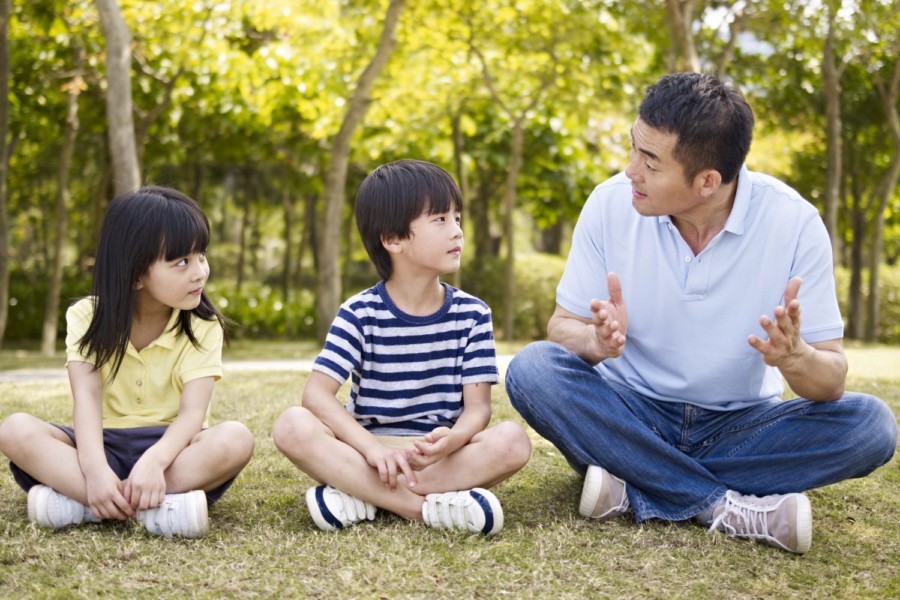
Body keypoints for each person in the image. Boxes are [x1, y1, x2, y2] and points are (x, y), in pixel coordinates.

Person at [505, 72, 897, 554]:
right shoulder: (610, 205)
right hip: (630, 412)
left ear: (707, 182)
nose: (631, 171)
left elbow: (831, 381)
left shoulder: (794, 223)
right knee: (532, 369)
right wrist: (594, 343)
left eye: (650, 162)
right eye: (634, 149)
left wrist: (795, 357)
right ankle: (722, 507)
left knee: (871, 426)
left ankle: (636, 486)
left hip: (740, 426)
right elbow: (560, 329)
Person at [273, 159, 531, 535]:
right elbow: (316, 395)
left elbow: (478, 410)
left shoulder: (473, 314)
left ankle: (360, 495)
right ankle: (424, 509)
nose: (457, 231)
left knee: (513, 441)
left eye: (457, 218)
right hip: (368, 451)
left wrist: (453, 440)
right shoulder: (359, 312)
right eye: (440, 220)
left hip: (438, 456)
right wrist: (372, 450)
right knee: (292, 426)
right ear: (393, 239)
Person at [0, 186, 255, 538]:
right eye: (181, 261)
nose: (200, 271)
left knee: (235, 439)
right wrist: (94, 470)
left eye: (201, 256)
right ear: (135, 274)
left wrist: (155, 461)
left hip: (172, 453)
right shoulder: (86, 316)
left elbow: (192, 415)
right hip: (102, 443)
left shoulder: (202, 325)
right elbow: (86, 398)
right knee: (14, 429)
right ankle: (147, 506)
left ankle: (88, 506)